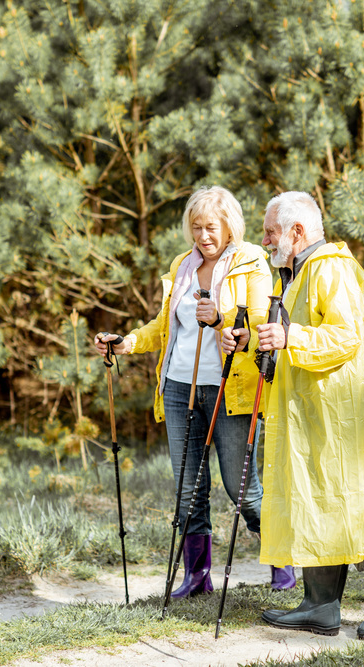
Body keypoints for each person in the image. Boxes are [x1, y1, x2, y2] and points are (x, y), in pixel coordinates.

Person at [221, 191, 364, 639]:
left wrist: (288, 337)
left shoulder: (331, 266)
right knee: (315, 502)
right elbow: (287, 339)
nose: (265, 239)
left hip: (340, 414)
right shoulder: (296, 272)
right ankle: (320, 606)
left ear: (297, 230)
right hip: (309, 412)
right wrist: (251, 341)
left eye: (271, 231)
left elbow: (345, 336)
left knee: (352, 504)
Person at [95, 185, 295, 598]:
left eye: (212, 227)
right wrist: (127, 342)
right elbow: (163, 327)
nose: (203, 236)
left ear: (229, 228)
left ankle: (284, 565)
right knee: (189, 487)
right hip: (178, 387)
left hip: (229, 389)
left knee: (242, 489)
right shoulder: (182, 266)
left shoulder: (252, 262)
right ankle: (196, 576)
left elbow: (260, 324)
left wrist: (222, 320)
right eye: (196, 227)